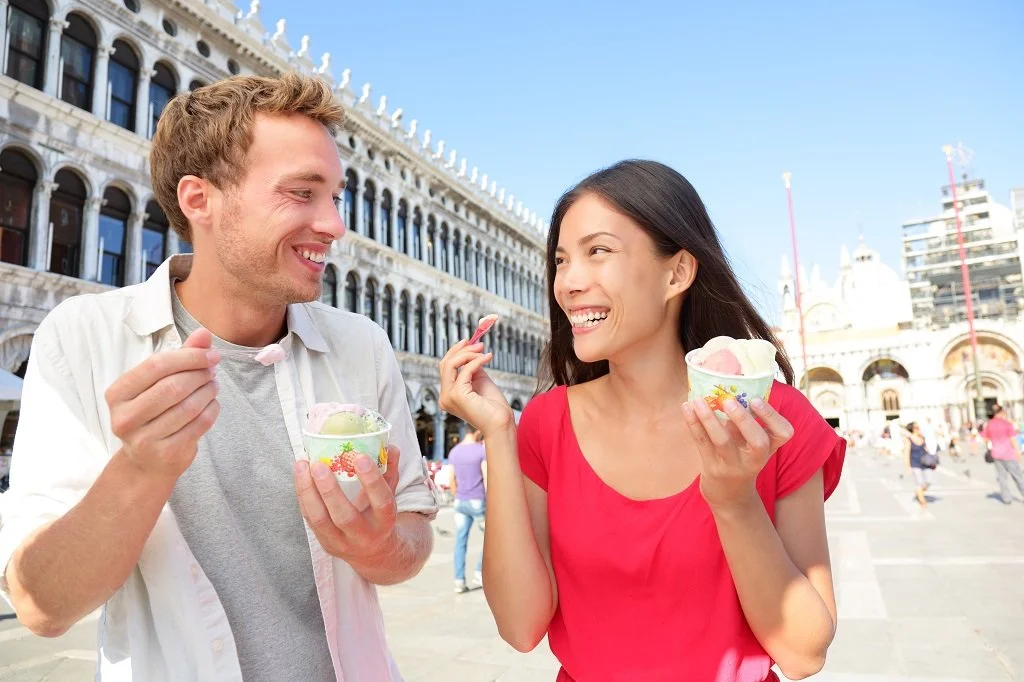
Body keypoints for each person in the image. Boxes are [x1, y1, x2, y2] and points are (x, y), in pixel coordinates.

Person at [0, 74, 438, 681]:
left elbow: (410, 540)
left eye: (335, 196)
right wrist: (140, 468)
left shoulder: (361, 345)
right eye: (301, 194)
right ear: (199, 199)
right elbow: (42, 605)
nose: (335, 225)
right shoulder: (83, 340)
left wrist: (380, 547)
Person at [439, 160, 845, 681]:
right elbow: (520, 627)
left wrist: (734, 499)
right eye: (561, 261)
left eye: (598, 252)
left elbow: (803, 653)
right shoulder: (546, 423)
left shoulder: (772, 419)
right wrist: (499, 433)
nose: (569, 283)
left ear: (676, 272)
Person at [448, 429, 487, 593]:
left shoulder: (454, 452)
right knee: (490, 538)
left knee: (460, 541)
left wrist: (457, 495)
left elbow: (451, 478)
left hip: (460, 501)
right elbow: (487, 477)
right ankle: (479, 572)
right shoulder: (481, 451)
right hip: (477, 501)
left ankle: (459, 581)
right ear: (478, 431)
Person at [981, 404, 1024, 505]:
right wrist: (1017, 451)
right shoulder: (1006, 423)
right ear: (1001, 412)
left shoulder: (989, 424)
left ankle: (1006, 498)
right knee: (1017, 475)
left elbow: (985, 439)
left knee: (1001, 477)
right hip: (1008, 453)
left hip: (996, 454)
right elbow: (1012, 439)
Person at [903, 422, 932, 507]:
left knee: (928, 482)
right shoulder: (908, 440)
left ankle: (918, 492)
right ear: (913, 429)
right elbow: (906, 453)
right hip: (915, 463)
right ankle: (922, 500)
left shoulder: (922, 438)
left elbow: (926, 449)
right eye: (917, 427)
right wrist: (907, 466)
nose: (919, 429)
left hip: (925, 463)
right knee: (919, 482)